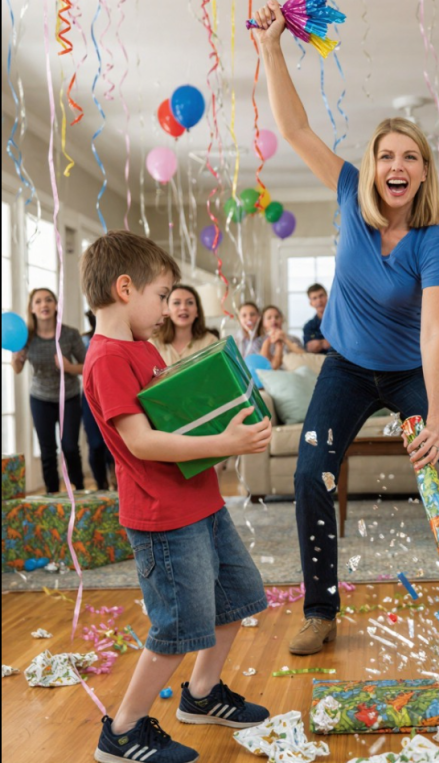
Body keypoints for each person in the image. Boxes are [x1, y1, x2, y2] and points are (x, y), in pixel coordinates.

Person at [252, 0, 439, 656]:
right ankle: (320, 609)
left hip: (411, 371)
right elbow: (295, 130)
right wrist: (271, 50)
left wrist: (436, 417)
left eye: (410, 156)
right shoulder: (351, 193)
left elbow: (436, 333)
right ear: (375, 163)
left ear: (422, 171)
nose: (396, 165)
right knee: (309, 474)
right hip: (348, 369)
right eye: (387, 154)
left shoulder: (433, 239)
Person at [80, 230, 273, 763]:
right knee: (177, 627)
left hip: (201, 501)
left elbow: (172, 414)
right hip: (164, 516)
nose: (169, 309)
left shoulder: (141, 347)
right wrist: (225, 441)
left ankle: (203, 695)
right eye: (163, 295)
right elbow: (140, 440)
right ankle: (122, 731)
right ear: (125, 288)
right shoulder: (106, 359)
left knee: (238, 597)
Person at [11, 288, 86, 494]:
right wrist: (16, 358)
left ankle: (80, 492)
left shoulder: (69, 334)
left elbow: (88, 365)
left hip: (68, 397)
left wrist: (69, 368)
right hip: (40, 399)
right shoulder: (26, 337)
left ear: (55, 305)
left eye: (48, 300)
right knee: (47, 452)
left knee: (70, 447)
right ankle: (52, 496)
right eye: (38, 301)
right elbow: (17, 370)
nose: (44, 305)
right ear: (32, 308)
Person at [82, 310, 114, 490]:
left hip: (112, 394)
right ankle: (100, 484)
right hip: (90, 397)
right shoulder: (85, 340)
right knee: (95, 444)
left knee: (113, 444)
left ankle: (115, 480)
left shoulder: (121, 339)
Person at [150, 283, 218, 365]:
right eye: (176, 303)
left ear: (197, 311)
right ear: (167, 309)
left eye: (190, 303)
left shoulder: (210, 342)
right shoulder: (153, 343)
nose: (183, 307)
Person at [255, 304, 305, 370]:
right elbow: (263, 364)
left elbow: (304, 356)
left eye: (277, 317)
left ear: (282, 319)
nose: (273, 320)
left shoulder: (293, 339)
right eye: (269, 318)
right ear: (263, 322)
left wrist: (285, 339)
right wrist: (269, 340)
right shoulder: (259, 341)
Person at [303, 283, 331, 354]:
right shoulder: (308, 326)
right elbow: (309, 348)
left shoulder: (339, 320)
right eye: (314, 298)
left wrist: (319, 343)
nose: (319, 301)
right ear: (311, 303)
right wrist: (325, 343)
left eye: (321, 296)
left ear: (327, 297)